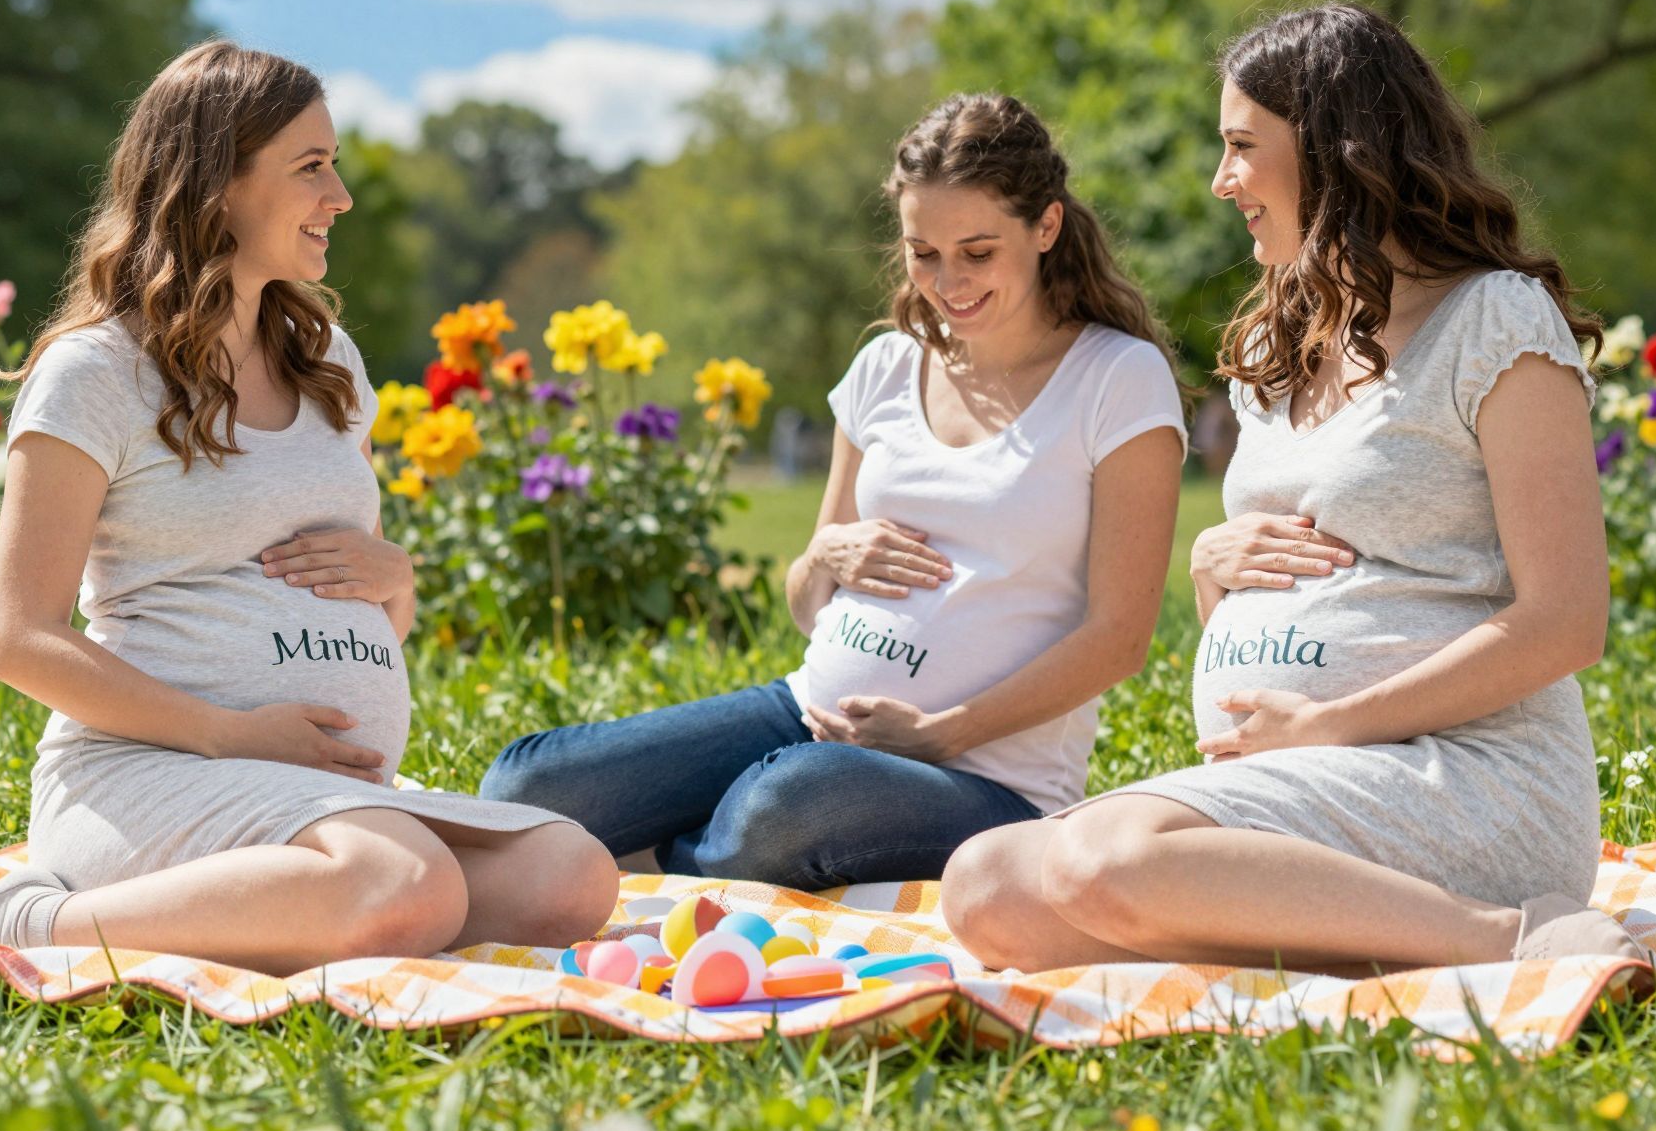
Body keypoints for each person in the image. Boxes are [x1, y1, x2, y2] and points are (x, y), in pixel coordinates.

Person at [0, 42, 617, 974]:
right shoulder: (97, 372)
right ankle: (26, 925)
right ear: (216, 184)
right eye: (312, 167)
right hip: (150, 772)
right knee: (405, 886)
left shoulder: (329, 363)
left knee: (571, 876)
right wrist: (233, 733)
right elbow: (17, 639)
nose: (340, 195)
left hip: (312, 786)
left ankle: (324, 899)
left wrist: (398, 578)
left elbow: (364, 605)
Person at [941, 3, 1645, 973]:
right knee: (985, 887)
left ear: (1332, 150)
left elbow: (1567, 621)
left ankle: (1520, 940)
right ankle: (1378, 944)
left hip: (1460, 780)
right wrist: (1207, 560)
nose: (1219, 181)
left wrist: (1329, 722)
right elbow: (1277, 574)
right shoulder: (1281, 339)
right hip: (1303, 777)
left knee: (1102, 861)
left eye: (1239, 146)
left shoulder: (1492, 320)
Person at [479, 94, 1188, 889]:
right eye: (924, 253)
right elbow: (805, 599)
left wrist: (943, 734)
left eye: (977, 252)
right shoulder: (886, 367)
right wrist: (822, 554)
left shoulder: (1117, 379)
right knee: (526, 785)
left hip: (982, 776)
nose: (948, 283)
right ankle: (674, 853)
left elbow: (1120, 637)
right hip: (803, 710)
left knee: (784, 803)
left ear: (1045, 228)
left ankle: (637, 864)